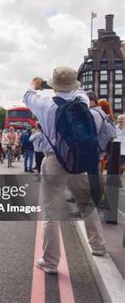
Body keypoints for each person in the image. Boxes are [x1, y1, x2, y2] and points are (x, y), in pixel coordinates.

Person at [24, 67, 107, 275]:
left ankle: (51, 261)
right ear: (74, 85)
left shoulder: (45, 104)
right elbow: (80, 92)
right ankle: (97, 246)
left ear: (53, 85)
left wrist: (36, 85)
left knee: (52, 212)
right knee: (86, 202)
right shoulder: (82, 101)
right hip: (78, 158)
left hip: (54, 161)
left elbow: (27, 95)